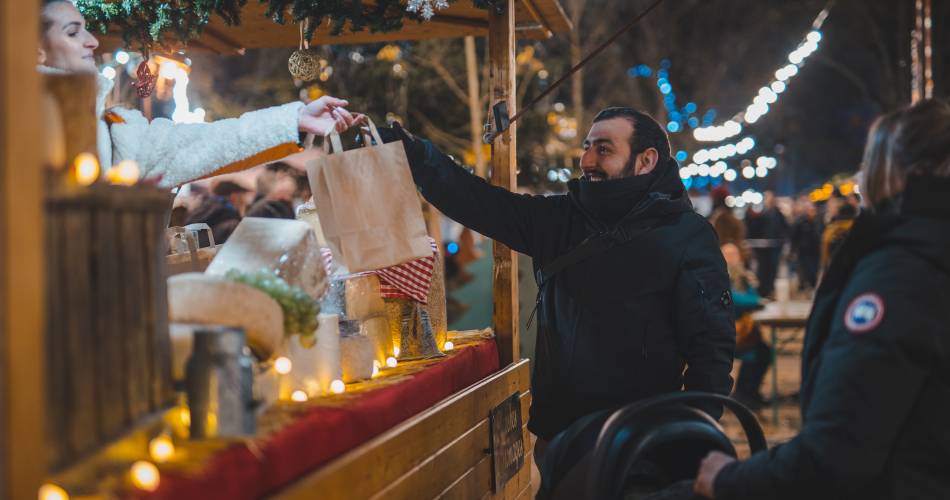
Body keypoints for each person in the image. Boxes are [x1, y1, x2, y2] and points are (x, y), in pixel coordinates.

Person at [376, 108, 735, 495]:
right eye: (586, 147)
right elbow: (476, 200)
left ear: (646, 160)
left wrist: (691, 431)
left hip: (642, 438)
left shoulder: (686, 235)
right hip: (562, 437)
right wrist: (411, 151)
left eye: (603, 149)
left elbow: (710, 348)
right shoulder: (559, 219)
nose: (586, 160)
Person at [695, 98, 950, 499]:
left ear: (894, 171)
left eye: (870, 161)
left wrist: (727, 479)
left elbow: (838, 451)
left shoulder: (901, 272)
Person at [36, 0, 359, 188]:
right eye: (73, 32)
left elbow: (202, 142)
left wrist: (294, 120)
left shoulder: (116, 129)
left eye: (86, 28)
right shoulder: (16, 125)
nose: (92, 41)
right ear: (34, 50)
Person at [721, 243, 770, 410]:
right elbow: (734, 298)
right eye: (727, 254)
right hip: (725, 331)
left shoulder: (744, 276)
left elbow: (752, 294)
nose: (731, 258)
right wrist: (756, 302)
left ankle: (750, 393)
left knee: (765, 351)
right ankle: (743, 395)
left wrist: (753, 300)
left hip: (743, 329)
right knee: (755, 352)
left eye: (734, 254)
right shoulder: (718, 275)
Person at [744, 190, 787, 297]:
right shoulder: (763, 213)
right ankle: (763, 291)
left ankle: (769, 290)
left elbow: (784, 228)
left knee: (772, 269)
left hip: (775, 246)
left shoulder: (777, 213)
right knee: (763, 269)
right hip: (762, 247)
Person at [790, 197, 821, 290]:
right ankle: (805, 285)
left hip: (815, 249)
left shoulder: (818, 220)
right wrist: (793, 250)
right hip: (803, 250)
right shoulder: (800, 221)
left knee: (814, 268)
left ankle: (812, 285)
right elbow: (794, 236)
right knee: (804, 269)